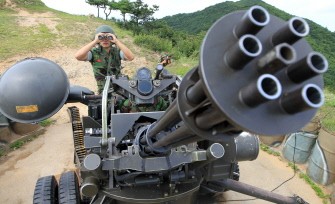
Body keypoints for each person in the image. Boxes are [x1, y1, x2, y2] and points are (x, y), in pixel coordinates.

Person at [75, 25, 134, 94]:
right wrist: (95, 41)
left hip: (120, 88)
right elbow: (78, 56)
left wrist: (117, 41)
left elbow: (131, 57)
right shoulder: (94, 53)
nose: (105, 40)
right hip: (103, 91)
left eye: (108, 37)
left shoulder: (117, 52)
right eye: (101, 37)